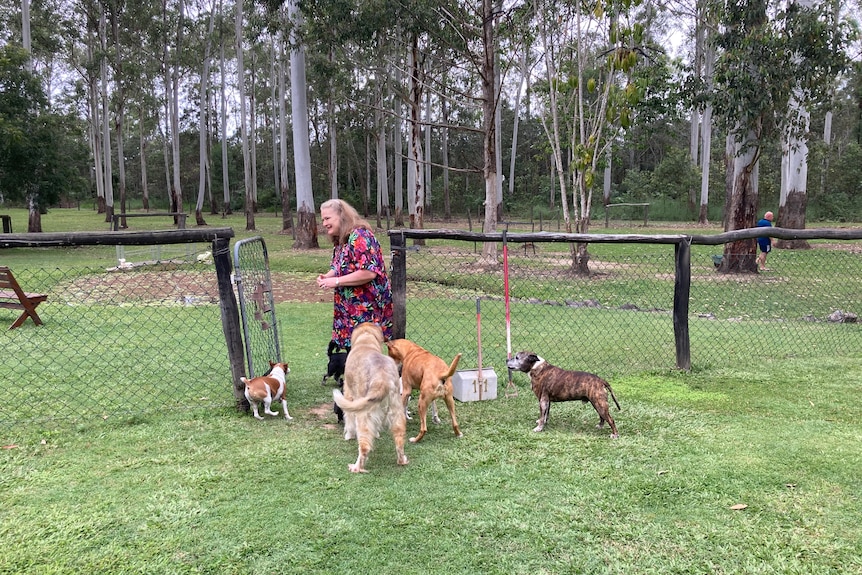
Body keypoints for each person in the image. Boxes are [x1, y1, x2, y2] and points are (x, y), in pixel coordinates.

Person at [316, 199, 393, 350]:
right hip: (350, 308)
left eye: (327, 218)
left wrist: (337, 281)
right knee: (355, 353)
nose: (324, 223)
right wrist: (328, 276)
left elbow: (369, 272)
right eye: (323, 219)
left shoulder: (360, 237)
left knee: (366, 352)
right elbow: (339, 266)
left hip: (366, 309)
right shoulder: (342, 240)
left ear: (342, 216)